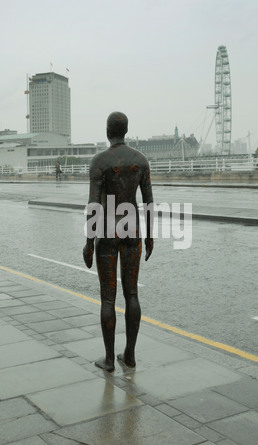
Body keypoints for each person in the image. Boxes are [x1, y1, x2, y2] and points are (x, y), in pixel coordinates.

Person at [83, 112, 154, 372]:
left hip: (108, 230)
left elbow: (93, 204)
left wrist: (89, 242)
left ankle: (110, 359)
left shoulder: (99, 162)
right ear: (126, 130)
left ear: (107, 131)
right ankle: (130, 355)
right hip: (132, 228)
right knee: (132, 293)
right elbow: (148, 202)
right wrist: (149, 236)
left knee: (108, 298)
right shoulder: (140, 160)